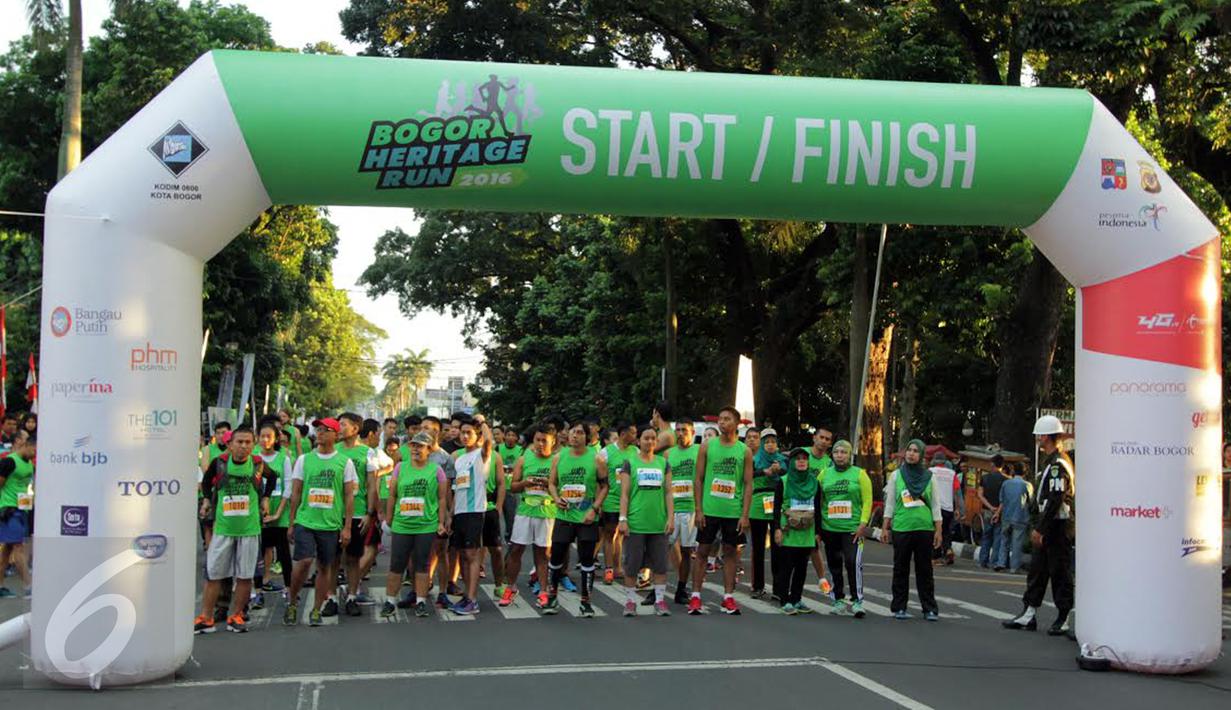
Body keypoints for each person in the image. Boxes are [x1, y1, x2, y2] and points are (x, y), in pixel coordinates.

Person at [194, 427, 277, 634]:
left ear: (253, 444)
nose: (243, 446)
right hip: (223, 529)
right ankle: (206, 618)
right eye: (239, 442)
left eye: (248, 442)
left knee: (245, 576)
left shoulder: (257, 464)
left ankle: (236, 616)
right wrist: (207, 500)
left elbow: (273, 477)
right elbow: (206, 482)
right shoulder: (220, 463)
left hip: (249, 529)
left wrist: (266, 499)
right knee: (214, 575)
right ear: (230, 445)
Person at [283, 418, 358, 627]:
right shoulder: (304, 460)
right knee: (304, 562)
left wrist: (347, 527)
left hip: (330, 524)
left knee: (325, 567)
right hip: (305, 521)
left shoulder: (345, 462)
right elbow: (296, 493)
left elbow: (349, 496)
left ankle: (316, 609)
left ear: (336, 435)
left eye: (325, 430)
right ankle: (292, 602)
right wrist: (291, 523)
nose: (320, 433)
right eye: (318, 430)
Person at [1003, 415, 1075, 635]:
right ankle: (1029, 612)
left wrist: (1041, 529)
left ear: (1045, 436)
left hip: (1058, 526)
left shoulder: (1057, 464)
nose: (1037, 440)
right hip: (1048, 523)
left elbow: (1056, 498)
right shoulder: (1051, 462)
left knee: (1059, 572)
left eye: (1039, 436)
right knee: (1037, 570)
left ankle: (1063, 617)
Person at [690, 406, 753, 615]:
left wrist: (744, 514)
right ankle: (695, 596)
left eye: (727, 419)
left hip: (732, 511)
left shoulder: (744, 451)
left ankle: (728, 597)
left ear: (736, 424)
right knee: (702, 551)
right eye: (720, 419)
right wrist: (698, 509)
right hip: (709, 509)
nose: (722, 422)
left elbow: (748, 484)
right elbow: (698, 479)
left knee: (730, 553)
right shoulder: (707, 446)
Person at [381, 431, 451, 619]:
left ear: (429, 449)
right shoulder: (400, 467)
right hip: (402, 525)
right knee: (397, 564)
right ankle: (390, 601)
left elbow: (442, 498)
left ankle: (421, 601)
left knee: (422, 564)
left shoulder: (436, 470)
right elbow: (392, 494)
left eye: (420, 446)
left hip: (425, 525)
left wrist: (441, 522)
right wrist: (389, 518)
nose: (415, 449)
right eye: (413, 445)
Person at [544, 421, 606, 616]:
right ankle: (552, 597)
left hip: (586, 517)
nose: (575, 436)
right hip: (564, 515)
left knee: (587, 559)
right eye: (572, 432)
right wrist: (556, 499)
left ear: (586, 437)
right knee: (556, 556)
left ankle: (586, 602)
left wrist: (594, 509)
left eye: (580, 433)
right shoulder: (559, 457)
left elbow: (605, 486)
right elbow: (551, 483)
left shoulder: (596, 459)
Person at [881, 439, 942, 621]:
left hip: (924, 528)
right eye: (909, 450)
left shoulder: (930, 477)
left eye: (916, 451)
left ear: (921, 455)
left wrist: (938, 530)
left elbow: (936, 506)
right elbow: (890, 503)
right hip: (902, 528)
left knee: (925, 570)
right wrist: (885, 527)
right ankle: (899, 607)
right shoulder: (896, 476)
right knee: (900, 569)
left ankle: (929, 609)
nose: (911, 454)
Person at [618, 425, 674, 616]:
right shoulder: (629, 463)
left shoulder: (663, 463)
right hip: (635, 523)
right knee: (632, 565)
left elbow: (668, 493)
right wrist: (623, 519)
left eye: (653, 438)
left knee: (660, 565)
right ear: (638, 441)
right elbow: (624, 494)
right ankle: (630, 602)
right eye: (646, 438)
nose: (650, 442)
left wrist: (670, 517)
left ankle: (659, 601)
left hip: (658, 523)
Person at [501, 423, 557, 607]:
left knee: (543, 553)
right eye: (537, 440)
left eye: (544, 441)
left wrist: (547, 483)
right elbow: (512, 487)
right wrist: (526, 483)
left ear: (553, 442)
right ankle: (511, 587)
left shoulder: (556, 461)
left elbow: (560, 486)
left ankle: (543, 590)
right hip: (525, 510)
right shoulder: (524, 459)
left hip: (547, 512)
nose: (540, 444)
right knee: (516, 549)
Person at [819, 439, 872, 617]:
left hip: (852, 529)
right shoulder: (824, 474)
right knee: (834, 565)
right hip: (830, 528)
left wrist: (863, 524)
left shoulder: (860, 474)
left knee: (852, 562)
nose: (839, 456)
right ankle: (838, 600)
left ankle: (857, 601)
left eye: (843, 452)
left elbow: (867, 501)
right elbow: (818, 500)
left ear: (849, 455)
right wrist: (819, 528)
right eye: (836, 452)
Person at [448, 416, 495, 615]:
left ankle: (473, 600)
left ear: (477, 435)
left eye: (469, 433)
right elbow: (457, 489)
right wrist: (450, 515)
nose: (465, 436)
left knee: (471, 555)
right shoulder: (459, 460)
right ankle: (467, 596)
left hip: (474, 511)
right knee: (462, 556)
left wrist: (482, 423)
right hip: (459, 512)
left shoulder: (481, 454)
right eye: (463, 432)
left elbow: (489, 441)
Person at [336, 413, 380, 616]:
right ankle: (330, 597)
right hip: (334, 513)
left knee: (353, 558)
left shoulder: (367, 452)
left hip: (358, 512)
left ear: (355, 429)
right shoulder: (334, 450)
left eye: (343, 425)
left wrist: (370, 513)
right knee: (333, 559)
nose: (340, 428)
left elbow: (371, 484)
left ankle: (352, 596)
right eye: (339, 424)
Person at [772, 448, 823, 614]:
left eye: (804, 459)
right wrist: (777, 529)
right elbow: (776, 507)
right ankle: (784, 600)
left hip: (807, 530)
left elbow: (818, 508)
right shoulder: (784, 481)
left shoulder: (814, 482)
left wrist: (818, 532)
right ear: (792, 462)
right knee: (787, 566)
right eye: (798, 458)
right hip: (788, 529)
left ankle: (796, 598)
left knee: (802, 567)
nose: (801, 461)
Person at [256, 421, 293, 599]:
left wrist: (278, 513)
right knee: (258, 554)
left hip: (279, 514)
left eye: (269, 436)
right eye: (262, 436)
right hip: (257, 515)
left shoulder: (283, 459)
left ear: (276, 439)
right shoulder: (253, 458)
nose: (265, 440)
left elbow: (288, 486)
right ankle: (258, 590)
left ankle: (290, 590)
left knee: (284, 553)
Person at [749, 428, 786, 599]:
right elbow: (746, 475)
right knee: (758, 548)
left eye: (773, 442)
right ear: (762, 443)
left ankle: (778, 589)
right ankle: (758, 586)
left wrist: (779, 470)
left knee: (778, 547)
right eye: (767, 442)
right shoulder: (754, 459)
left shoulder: (782, 460)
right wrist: (764, 472)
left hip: (777, 504)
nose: (770, 445)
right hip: (757, 504)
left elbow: (789, 473)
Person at [598, 421, 637, 585]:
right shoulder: (606, 452)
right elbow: (599, 479)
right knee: (609, 535)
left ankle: (618, 567)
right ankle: (609, 569)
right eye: (632, 433)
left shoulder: (635, 451)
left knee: (621, 536)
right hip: (611, 500)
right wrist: (599, 502)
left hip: (630, 501)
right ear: (623, 434)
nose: (635, 436)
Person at [665, 418, 699, 604]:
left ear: (692, 433)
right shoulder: (669, 454)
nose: (680, 434)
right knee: (662, 549)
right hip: (672, 509)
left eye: (684, 430)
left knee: (686, 551)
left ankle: (681, 589)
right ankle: (656, 589)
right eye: (677, 430)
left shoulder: (699, 451)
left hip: (691, 508)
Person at [0, 434, 35, 599]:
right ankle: (29, 586)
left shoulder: (29, 464)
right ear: (26, 445)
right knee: (18, 547)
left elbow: (27, 487)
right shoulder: (9, 462)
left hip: (22, 509)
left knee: (7, 550)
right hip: (9, 510)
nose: (34, 455)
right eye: (33, 450)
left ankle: (0, 586)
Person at [806, 428, 834, 585]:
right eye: (821, 437)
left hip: (818, 507)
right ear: (814, 438)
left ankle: (822, 579)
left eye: (827, 439)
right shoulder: (802, 454)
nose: (823, 441)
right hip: (797, 505)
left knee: (815, 544)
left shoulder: (829, 463)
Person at [997, 463, 1032, 574]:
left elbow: (1001, 500)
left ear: (1013, 471)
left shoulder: (1006, 483)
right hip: (1020, 517)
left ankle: (1001, 563)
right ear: (1025, 472)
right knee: (1017, 543)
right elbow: (1031, 502)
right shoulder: (1027, 485)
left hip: (1006, 516)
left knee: (1004, 540)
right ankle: (1014, 567)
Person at [978, 455, 1008, 570]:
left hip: (987, 511)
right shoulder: (1006, 480)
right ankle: (993, 561)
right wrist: (998, 510)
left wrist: (990, 507)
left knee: (986, 536)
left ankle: (983, 560)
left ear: (992, 464)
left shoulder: (984, 478)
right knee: (997, 537)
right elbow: (1005, 499)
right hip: (1000, 512)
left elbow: (980, 495)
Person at [928, 453, 958, 565]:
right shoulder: (952, 473)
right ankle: (948, 549)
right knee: (945, 531)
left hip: (935, 507)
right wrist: (957, 508)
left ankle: (935, 556)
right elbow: (956, 492)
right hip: (948, 508)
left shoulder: (930, 472)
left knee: (935, 531)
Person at [496, 426, 524, 542]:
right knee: (496, 513)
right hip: (498, 487)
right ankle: (496, 536)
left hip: (511, 488)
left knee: (510, 515)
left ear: (517, 438)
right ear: (504, 436)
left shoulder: (521, 450)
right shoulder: (498, 448)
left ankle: (510, 537)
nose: (510, 437)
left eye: (513, 435)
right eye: (508, 435)